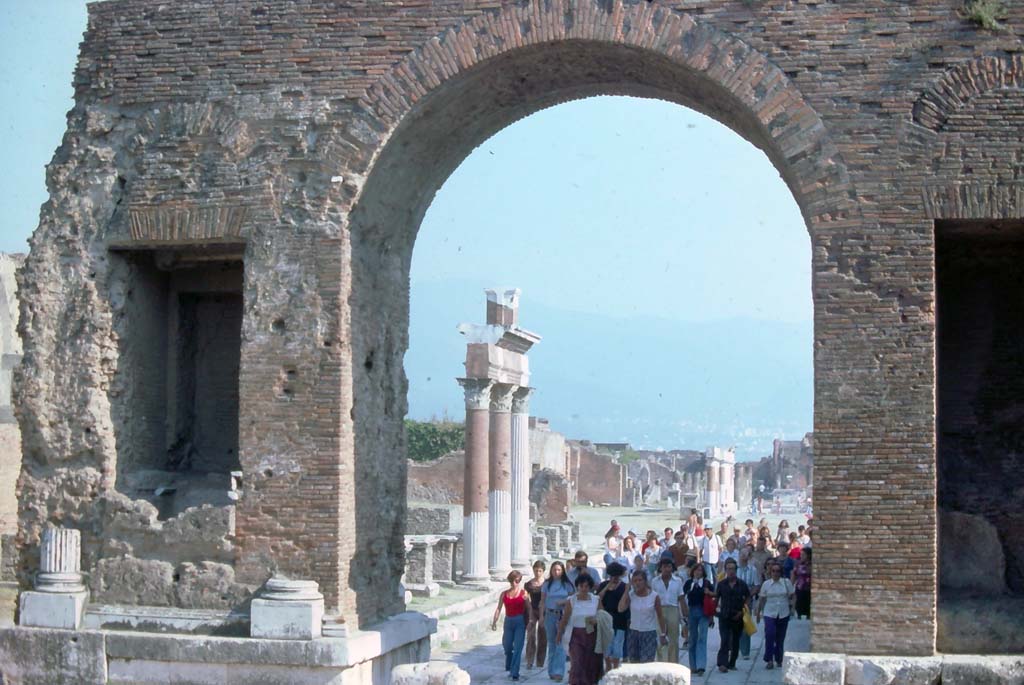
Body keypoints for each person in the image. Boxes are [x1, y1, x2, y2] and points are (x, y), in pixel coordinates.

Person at [555, 575, 604, 685]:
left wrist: (596, 620)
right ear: (577, 587)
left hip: (592, 635)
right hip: (575, 636)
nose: (583, 589)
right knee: (577, 663)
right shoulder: (571, 601)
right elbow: (565, 618)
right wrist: (559, 633)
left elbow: (602, 616)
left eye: (586, 586)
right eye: (581, 586)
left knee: (590, 663)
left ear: (590, 587)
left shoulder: (596, 600)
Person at [617, 570, 666, 664]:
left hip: (648, 632)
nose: (637, 583)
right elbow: (620, 608)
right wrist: (627, 590)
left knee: (647, 663)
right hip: (633, 632)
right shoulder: (631, 595)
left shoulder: (654, 596)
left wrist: (663, 634)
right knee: (634, 662)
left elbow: (660, 616)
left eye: (640, 580)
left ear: (645, 581)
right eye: (635, 581)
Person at [491, 570, 532, 681]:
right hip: (508, 621)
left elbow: (529, 608)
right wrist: (494, 621)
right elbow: (499, 608)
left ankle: (515, 672)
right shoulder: (504, 594)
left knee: (518, 647)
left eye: (517, 581)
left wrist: (530, 622)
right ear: (510, 581)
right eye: (513, 580)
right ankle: (509, 660)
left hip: (520, 621)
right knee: (507, 645)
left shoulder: (524, 593)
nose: (515, 583)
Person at [756, 561, 796, 670]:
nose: (775, 573)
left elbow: (793, 595)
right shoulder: (766, 584)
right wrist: (758, 613)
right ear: (770, 572)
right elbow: (762, 599)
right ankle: (769, 659)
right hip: (769, 612)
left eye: (778, 571)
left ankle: (779, 658)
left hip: (783, 612)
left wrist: (792, 608)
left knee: (780, 637)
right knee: (770, 634)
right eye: (773, 571)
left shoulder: (786, 583)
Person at [714, 559, 751, 673]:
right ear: (725, 570)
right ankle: (722, 663)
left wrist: (743, 611)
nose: (731, 571)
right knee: (724, 640)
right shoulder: (721, 584)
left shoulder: (742, 584)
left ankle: (732, 663)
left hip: (737, 615)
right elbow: (716, 598)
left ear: (736, 570)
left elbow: (748, 597)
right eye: (728, 569)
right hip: (724, 615)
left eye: (733, 569)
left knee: (735, 641)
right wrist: (714, 612)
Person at [541, 561, 573, 681]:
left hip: (562, 615)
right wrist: (541, 616)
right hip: (550, 614)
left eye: (559, 570)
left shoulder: (567, 584)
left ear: (563, 571)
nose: (556, 572)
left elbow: (572, 599)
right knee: (552, 643)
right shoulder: (547, 584)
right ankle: (551, 670)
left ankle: (559, 672)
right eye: (554, 570)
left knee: (560, 644)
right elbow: (543, 601)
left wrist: (563, 602)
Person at [595, 562, 630, 672]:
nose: (614, 578)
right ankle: (608, 666)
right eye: (612, 576)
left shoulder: (624, 587)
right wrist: (606, 588)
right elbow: (597, 599)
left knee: (617, 644)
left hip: (620, 618)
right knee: (607, 644)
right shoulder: (603, 585)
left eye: (617, 576)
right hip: (606, 618)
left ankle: (615, 666)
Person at [682, 562, 715, 676]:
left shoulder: (706, 583)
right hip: (691, 611)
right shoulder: (688, 583)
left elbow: (713, 597)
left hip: (703, 611)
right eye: (696, 570)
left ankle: (701, 665)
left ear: (703, 572)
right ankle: (693, 665)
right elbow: (683, 597)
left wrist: (709, 592)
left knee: (702, 637)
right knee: (693, 638)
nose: (698, 572)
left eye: (700, 570)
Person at [651, 559, 684, 664]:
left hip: (673, 609)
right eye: (664, 567)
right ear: (660, 568)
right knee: (660, 637)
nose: (666, 569)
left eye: (669, 567)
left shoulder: (678, 581)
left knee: (673, 639)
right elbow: (652, 598)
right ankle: (662, 663)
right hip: (659, 609)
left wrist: (684, 617)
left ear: (672, 568)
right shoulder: (655, 581)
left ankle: (673, 663)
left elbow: (681, 598)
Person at [735, 549, 760, 660]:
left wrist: (749, 595)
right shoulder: (734, 570)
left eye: (746, 554)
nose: (743, 556)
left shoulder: (753, 570)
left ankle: (745, 651)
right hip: (734, 599)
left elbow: (756, 585)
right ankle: (734, 647)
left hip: (747, 600)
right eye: (742, 554)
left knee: (745, 624)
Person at [524, 560, 547, 670]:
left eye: (540, 571)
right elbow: (526, 598)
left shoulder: (547, 583)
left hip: (544, 610)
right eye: (536, 570)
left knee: (543, 636)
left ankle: (540, 662)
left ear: (543, 571)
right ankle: (529, 660)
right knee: (531, 636)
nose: (538, 573)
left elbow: (546, 598)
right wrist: (529, 612)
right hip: (532, 610)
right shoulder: (529, 584)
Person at [792, 548, 812, 619]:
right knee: (800, 604)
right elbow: (794, 574)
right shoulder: (798, 564)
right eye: (801, 554)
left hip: (810, 588)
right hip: (800, 587)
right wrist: (792, 585)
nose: (801, 556)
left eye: (803, 554)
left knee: (808, 605)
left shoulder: (812, 564)